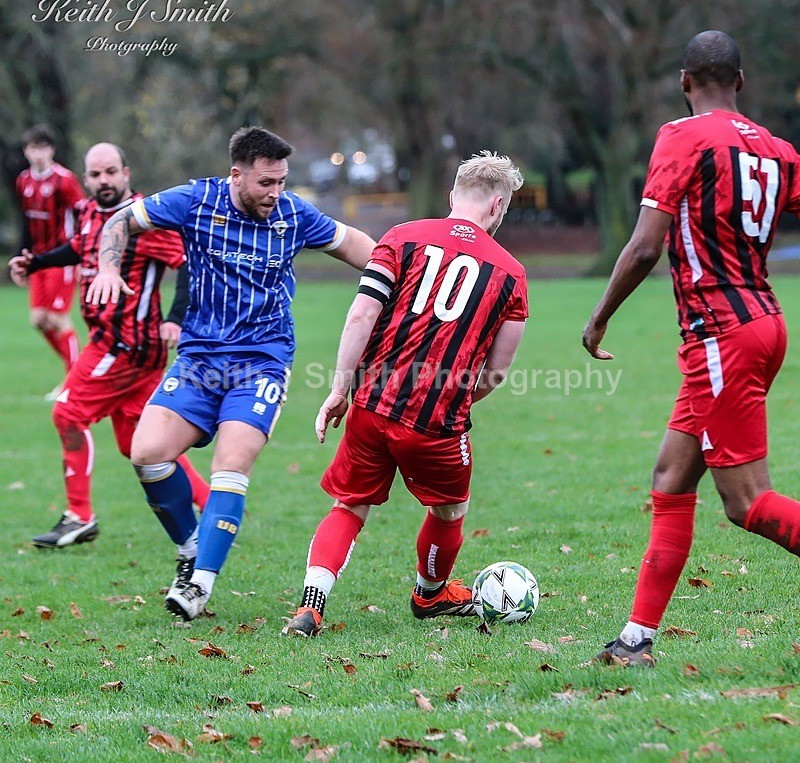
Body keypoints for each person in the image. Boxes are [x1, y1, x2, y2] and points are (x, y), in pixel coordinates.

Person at [85, 126, 377, 621]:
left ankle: (199, 585)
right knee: (147, 454)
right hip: (199, 360)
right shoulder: (195, 201)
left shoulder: (293, 215)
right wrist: (108, 270)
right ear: (236, 175)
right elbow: (118, 223)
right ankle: (190, 546)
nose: (276, 193)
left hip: (262, 362)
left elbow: (361, 248)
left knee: (231, 464)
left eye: (282, 181)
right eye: (266, 182)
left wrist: (404, 281)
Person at [582, 30, 800, 667]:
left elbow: (646, 246)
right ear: (742, 80)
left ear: (684, 83)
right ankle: (635, 641)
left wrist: (598, 319)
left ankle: (635, 642)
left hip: (721, 334)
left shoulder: (682, 136)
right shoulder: (782, 152)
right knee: (672, 479)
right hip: (760, 323)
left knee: (746, 502)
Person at [283, 152, 528, 637]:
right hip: (437, 425)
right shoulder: (512, 275)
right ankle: (429, 593)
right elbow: (495, 374)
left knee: (349, 505)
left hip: (372, 405)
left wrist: (339, 388)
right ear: (497, 205)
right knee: (449, 510)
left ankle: (312, 605)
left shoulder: (401, 237)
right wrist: (454, 398)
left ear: (453, 196)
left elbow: (360, 316)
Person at [9, 143, 209, 550]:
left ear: (126, 173)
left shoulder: (143, 221)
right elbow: (78, 248)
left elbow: (187, 264)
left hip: (125, 346)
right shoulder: (85, 213)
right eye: (96, 174)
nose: (104, 181)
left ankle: (79, 516)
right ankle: (215, 505)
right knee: (137, 444)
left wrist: (175, 318)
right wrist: (37, 263)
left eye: (111, 172)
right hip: (115, 345)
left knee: (67, 413)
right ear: (86, 179)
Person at [15, 125, 85, 397]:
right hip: (37, 260)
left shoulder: (65, 180)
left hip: (62, 258)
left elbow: (83, 215)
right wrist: (21, 258)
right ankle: (76, 370)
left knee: (57, 319)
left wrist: (82, 254)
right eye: (33, 148)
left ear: (52, 150)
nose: (38, 153)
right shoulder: (23, 180)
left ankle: (73, 381)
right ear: (26, 152)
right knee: (38, 320)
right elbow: (25, 222)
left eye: (43, 147)